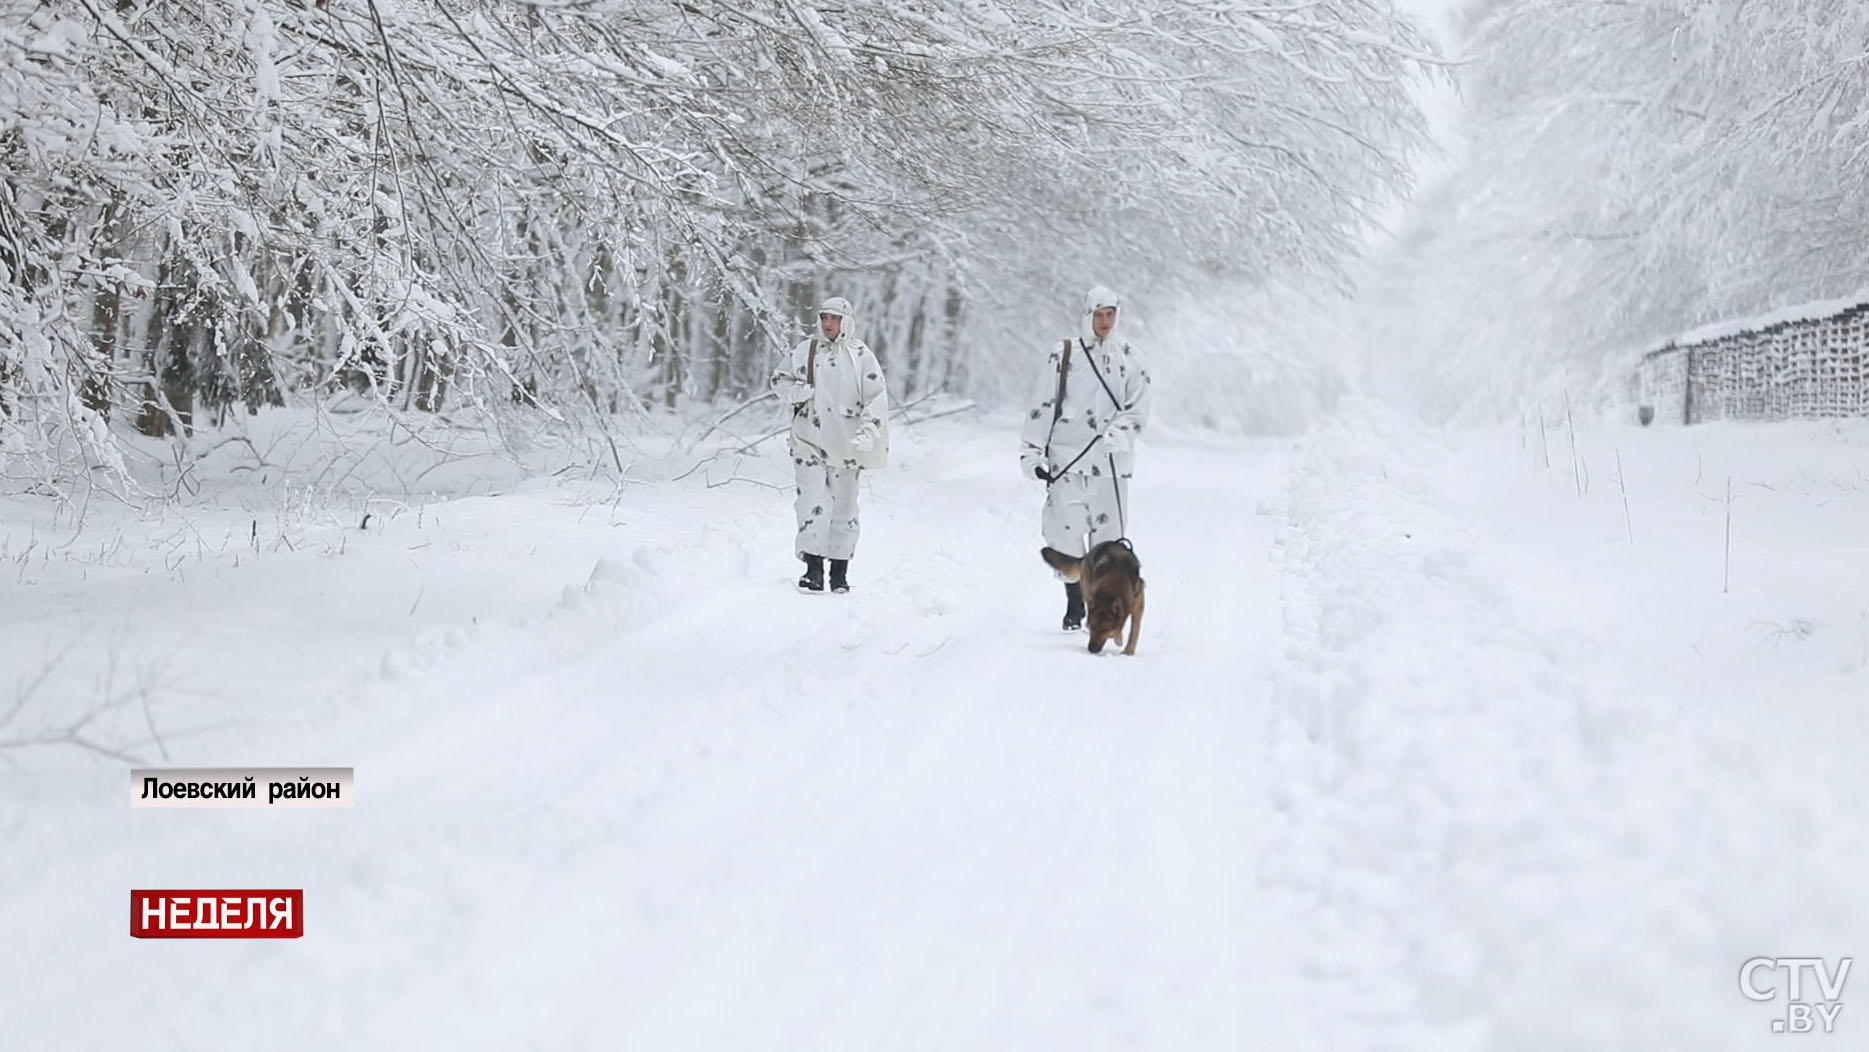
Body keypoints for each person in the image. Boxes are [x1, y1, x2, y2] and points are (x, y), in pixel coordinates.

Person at [1018, 285, 1152, 630]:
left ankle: (1097, 607)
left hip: (1110, 466)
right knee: (1062, 534)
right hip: (1067, 461)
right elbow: (1043, 404)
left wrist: (1119, 434)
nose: (1105, 321)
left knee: (1107, 545)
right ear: (1087, 315)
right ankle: (1073, 598)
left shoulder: (1132, 358)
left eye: (1111, 314)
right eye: (1099, 314)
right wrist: (1032, 452)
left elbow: (1138, 409)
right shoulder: (1063, 355)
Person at [771, 296, 890, 594]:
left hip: (846, 444)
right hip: (807, 440)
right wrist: (797, 392)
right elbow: (778, 380)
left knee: (844, 507)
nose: (827, 323)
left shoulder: (861, 356)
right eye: (824, 317)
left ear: (846, 321)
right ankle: (812, 569)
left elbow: (877, 397)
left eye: (834, 318)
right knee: (812, 501)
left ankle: (839, 572)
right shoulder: (806, 351)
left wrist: (869, 429)